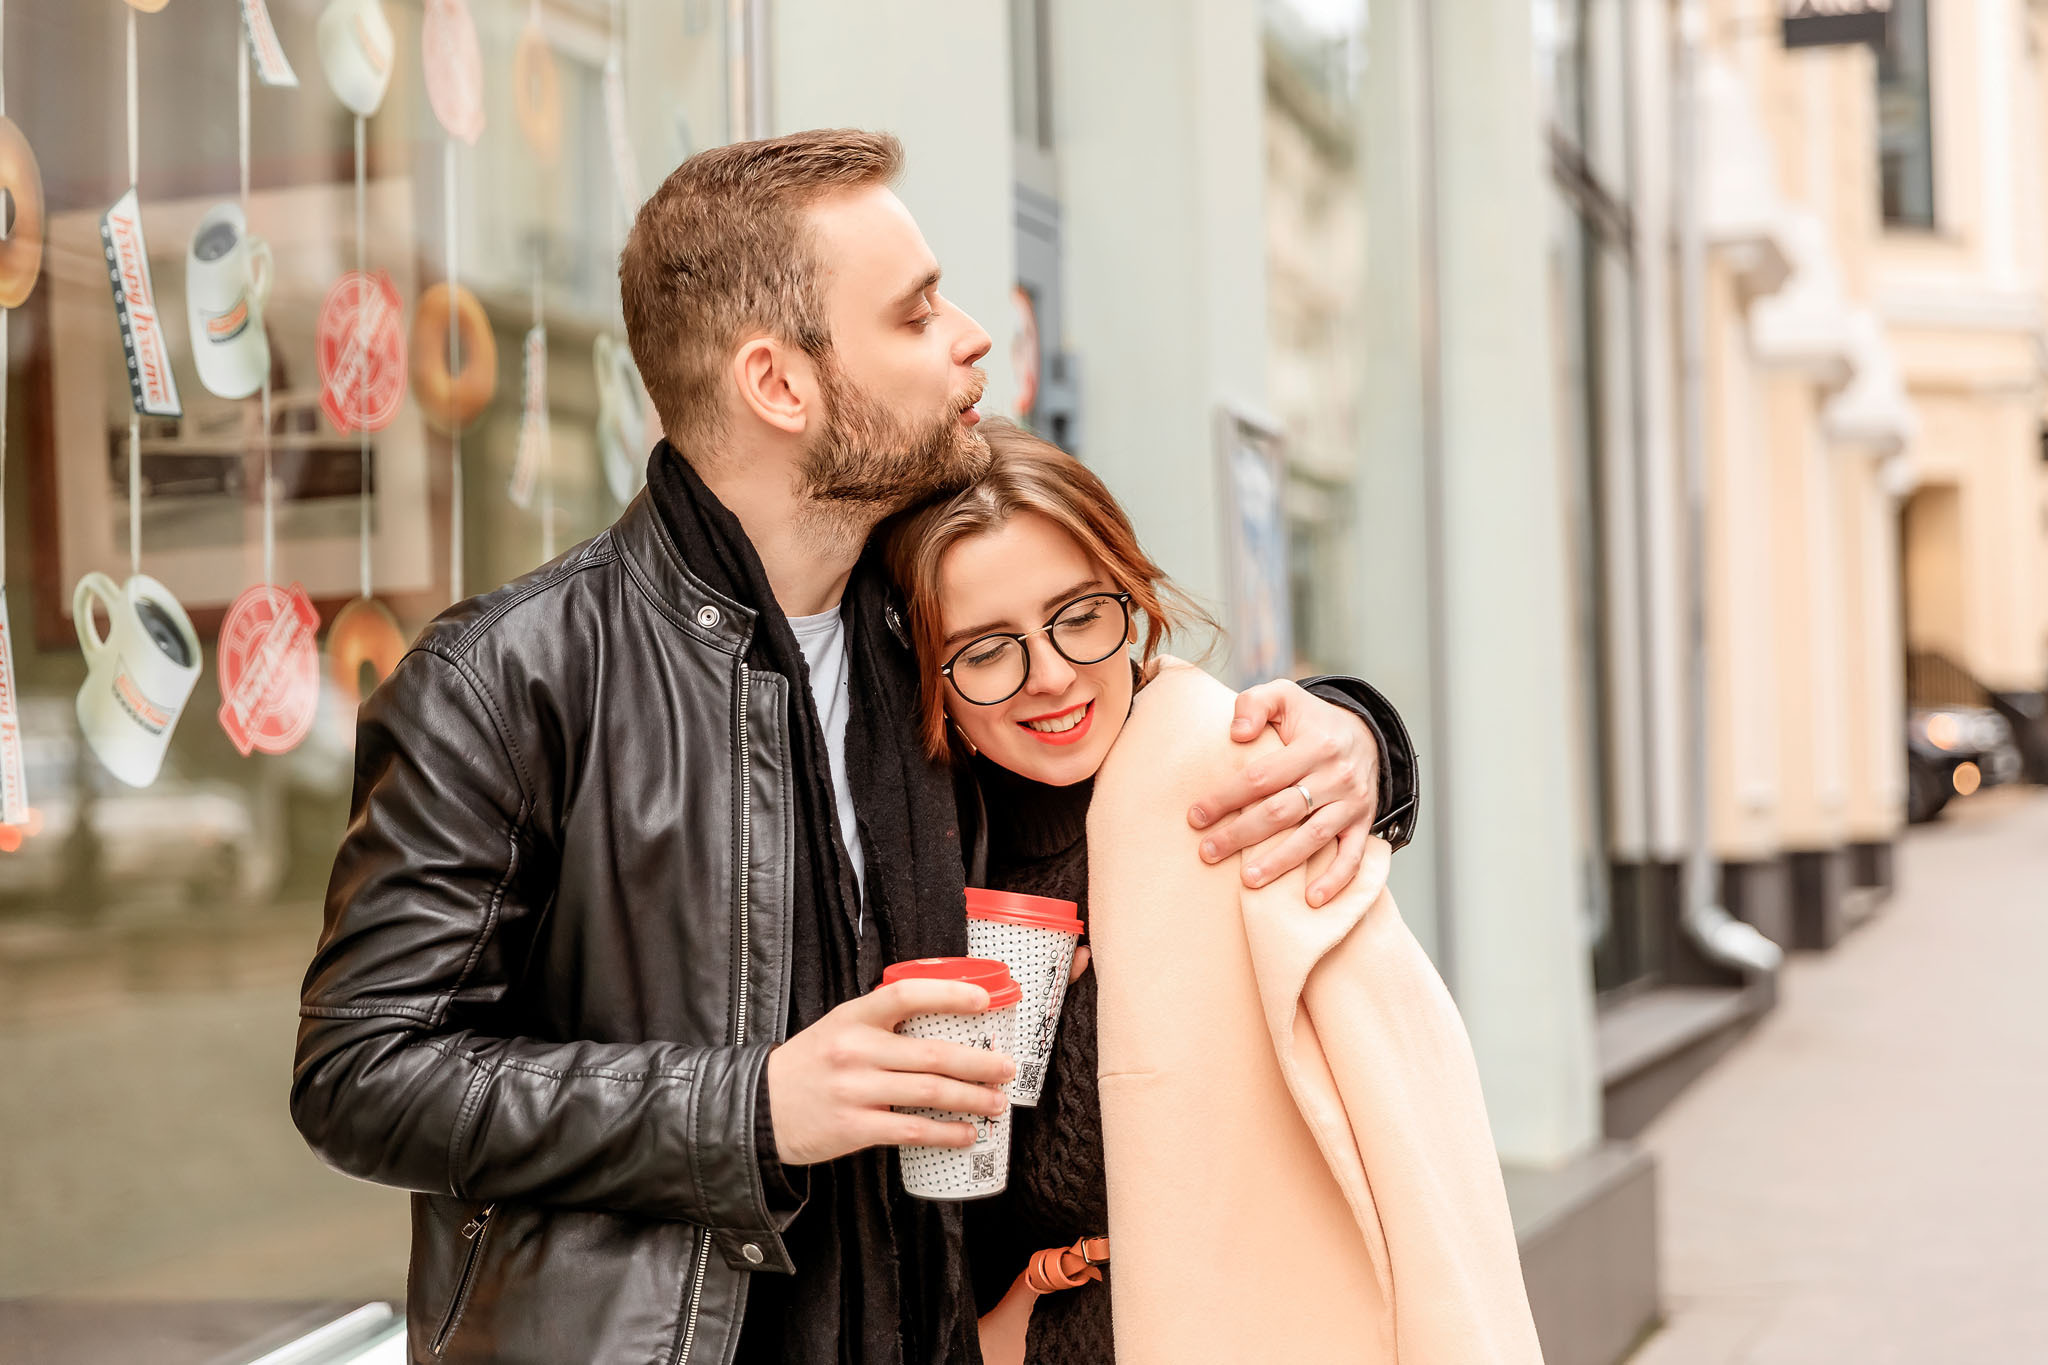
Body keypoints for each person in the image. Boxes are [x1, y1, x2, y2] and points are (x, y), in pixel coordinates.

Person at [290, 130, 1418, 1365]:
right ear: (781, 385)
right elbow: (363, 1073)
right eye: (918, 310)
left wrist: (1358, 736)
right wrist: (752, 1108)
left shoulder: (925, 630)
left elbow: (1123, 730)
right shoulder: (506, 678)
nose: (973, 334)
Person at [881, 421, 1532, 1365]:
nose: (1053, 675)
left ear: (1133, 598)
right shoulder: (928, 864)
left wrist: (1368, 736)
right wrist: (1009, 1307)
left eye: (1078, 614)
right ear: (932, 681)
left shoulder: (1241, 792)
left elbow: (1424, 1150)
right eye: (986, 650)